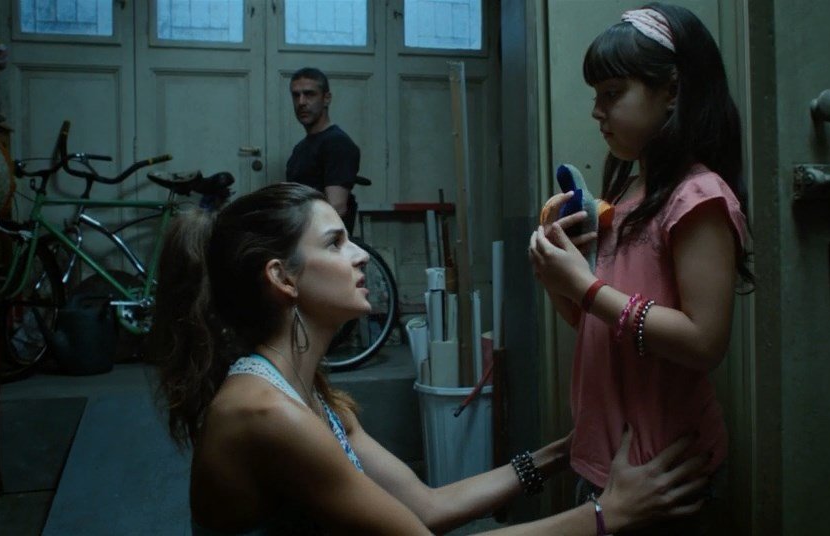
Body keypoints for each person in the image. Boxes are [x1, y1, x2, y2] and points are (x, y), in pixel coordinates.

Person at [149, 182, 710, 535]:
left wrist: (564, 451)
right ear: (282, 277)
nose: (361, 255)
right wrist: (609, 515)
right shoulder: (268, 414)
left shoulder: (303, 392)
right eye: (335, 243)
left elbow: (427, 506)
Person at [528, 3, 754, 532]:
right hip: (607, 460)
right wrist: (557, 279)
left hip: (665, 471)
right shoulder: (627, 193)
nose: (597, 111)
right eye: (596, 95)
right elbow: (598, 327)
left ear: (672, 91)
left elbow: (704, 341)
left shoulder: (698, 196)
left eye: (612, 94)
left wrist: (585, 289)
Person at [285, 67, 360, 232]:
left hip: (324, 241)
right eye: (296, 95)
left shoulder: (337, 143)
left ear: (326, 99)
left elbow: (336, 208)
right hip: (302, 235)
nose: (301, 102)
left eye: (309, 94)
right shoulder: (300, 149)